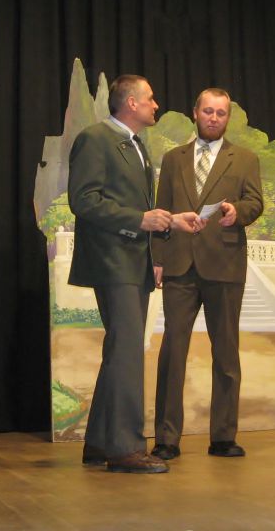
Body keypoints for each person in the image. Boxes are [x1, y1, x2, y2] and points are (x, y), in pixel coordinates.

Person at [67, 74, 202, 474]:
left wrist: (170, 220)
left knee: (120, 351)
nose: (155, 105)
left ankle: (99, 442)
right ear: (130, 103)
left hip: (132, 261)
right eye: (150, 98)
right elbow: (83, 200)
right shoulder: (96, 139)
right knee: (126, 352)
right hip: (112, 261)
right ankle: (125, 448)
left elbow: (137, 210)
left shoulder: (136, 145)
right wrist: (138, 220)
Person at [150, 88, 264, 460]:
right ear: (195, 112)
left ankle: (223, 437)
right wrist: (157, 258)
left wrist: (237, 211)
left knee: (226, 354)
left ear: (227, 117)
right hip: (180, 266)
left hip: (224, 264)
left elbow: (255, 202)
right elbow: (162, 210)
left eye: (221, 113)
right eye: (208, 111)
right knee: (173, 353)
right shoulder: (173, 159)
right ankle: (166, 438)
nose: (214, 118)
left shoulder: (244, 159)